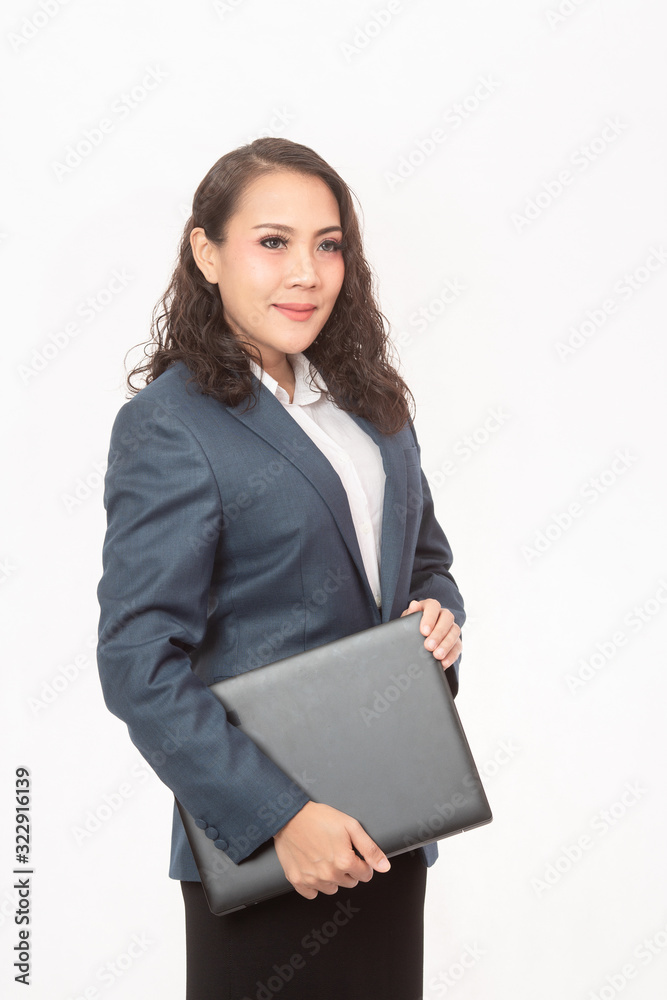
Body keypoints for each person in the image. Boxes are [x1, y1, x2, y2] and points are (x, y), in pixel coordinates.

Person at [96, 137, 466, 999]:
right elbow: (136, 661)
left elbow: (426, 563)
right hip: (269, 852)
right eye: (273, 242)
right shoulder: (171, 425)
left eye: (327, 244)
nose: (306, 273)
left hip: (391, 817)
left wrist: (436, 617)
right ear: (206, 253)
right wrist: (280, 818)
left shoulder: (369, 403)